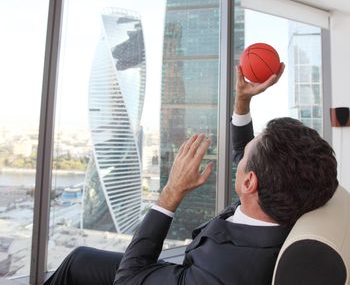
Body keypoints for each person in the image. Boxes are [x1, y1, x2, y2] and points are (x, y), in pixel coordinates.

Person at [45, 63, 338, 285]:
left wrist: (172, 191)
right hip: (196, 264)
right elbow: (247, 157)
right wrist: (242, 102)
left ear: (249, 182)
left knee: (78, 265)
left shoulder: (223, 272)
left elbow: (129, 279)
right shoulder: (282, 197)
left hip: (182, 273)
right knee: (79, 259)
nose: (241, 153)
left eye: (250, 148)